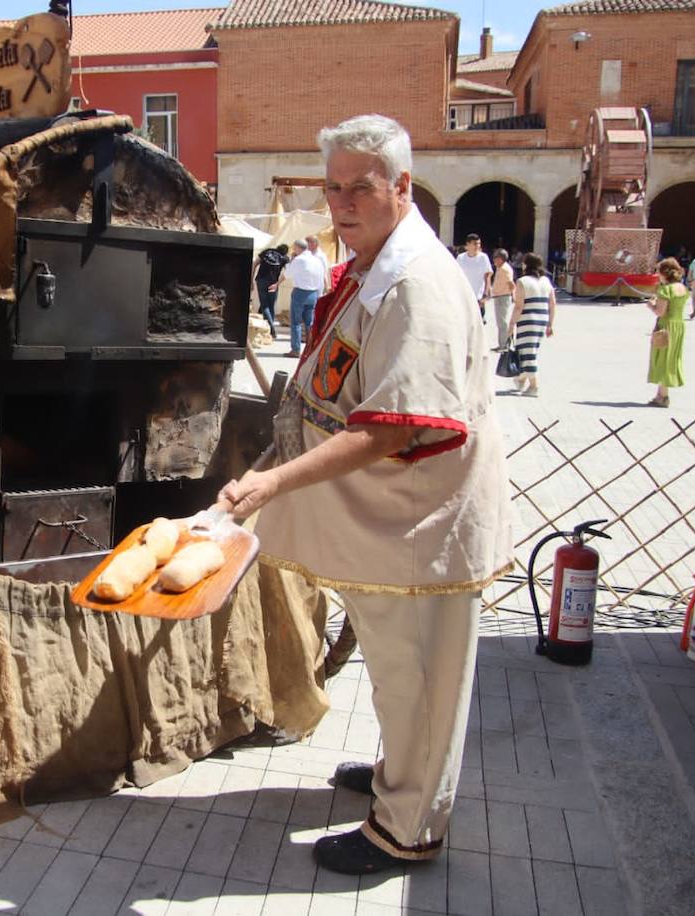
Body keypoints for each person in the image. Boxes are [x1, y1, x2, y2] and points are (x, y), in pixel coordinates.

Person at [218, 114, 511, 876]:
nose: (343, 203)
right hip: (385, 520)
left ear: (402, 187)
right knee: (394, 667)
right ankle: (395, 776)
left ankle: (408, 828)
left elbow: (393, 426)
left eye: (362, 187)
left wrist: (275, 480)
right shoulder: (377, 261)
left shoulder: (416, 284)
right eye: (334, 187)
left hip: (419, 524)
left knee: (419, 676)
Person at [506, 253, 556, 397]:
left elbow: (519, 306)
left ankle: (534, 386)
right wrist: (550, 324)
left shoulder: (522, 281)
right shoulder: (546, 281)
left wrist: (511, 324)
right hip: (542, 319)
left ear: (526, 265)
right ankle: (521, 380)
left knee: (528, 353)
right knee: (527, 350)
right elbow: (552, 303)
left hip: (527, 319)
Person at [647, 257, 688, 407]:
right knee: (671, 358)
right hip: (678, 326)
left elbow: (660, 312)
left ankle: (663, 396)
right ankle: (661, 394)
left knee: (662, 359)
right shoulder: (683, 288)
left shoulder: (666, 289)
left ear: (664, 273)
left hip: (666, 326)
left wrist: (651, 305)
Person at [282, 239, 325, 357]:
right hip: (314, 292)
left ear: (297, 248)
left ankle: (295, 349)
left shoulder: (299, 260)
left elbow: (288, 274)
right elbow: (322, 278)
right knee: (309, 322)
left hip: (300, 292)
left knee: (296, 322)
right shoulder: (317, 260)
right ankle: (311, 348)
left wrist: (291, 260)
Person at [252, 243, 290, 337]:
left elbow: (255, 264)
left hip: (261, 280)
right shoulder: (284, 258)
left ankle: (269, 328)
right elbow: (288, 272)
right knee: (270, 305)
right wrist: (278, 283)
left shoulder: (266, 252)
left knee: (265, 305)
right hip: (273, 283)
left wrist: (251, 279)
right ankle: (271, 328)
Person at [455, 233, 493, 324]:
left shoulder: (483, 257)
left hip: (478, 297)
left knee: (477, 324)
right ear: (467, 245)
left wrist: (486, 292)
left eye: (479, 244)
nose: (477, 246)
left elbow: (487, 275)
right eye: (475, 244)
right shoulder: (461, 258)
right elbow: (457, 276)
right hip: (465, 296)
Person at [489, 248, 515, 351]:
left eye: (496, 258)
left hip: (503, 297)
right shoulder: (500, 268)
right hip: (499, 296)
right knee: (500, 322)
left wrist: (513, 295)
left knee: (503, 322)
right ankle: (501, 344)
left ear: (500, 259)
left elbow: (511, 283)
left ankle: (504, 345)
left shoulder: (505, 269)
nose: (494, 260)